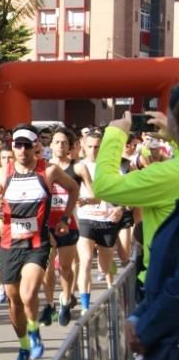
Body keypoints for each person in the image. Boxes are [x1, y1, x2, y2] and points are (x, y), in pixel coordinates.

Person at [91, 104, 179, 360]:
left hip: (164, 298)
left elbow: (106, 186)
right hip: (162, 293)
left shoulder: (170, 174)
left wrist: (114, 135)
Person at [0, 125, 79, 360]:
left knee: (27, 294)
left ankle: (34, 330)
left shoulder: (48, 171)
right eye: (18, 145)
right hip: (9, 244)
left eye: (27, 145)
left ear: (37, 146)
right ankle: (25, 344)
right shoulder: (3, 174)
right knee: (14, 301)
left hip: (38, 243)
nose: (22, 150)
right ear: (12, 147)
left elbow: (73, 188)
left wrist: (65, 218)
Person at [75, 131, 123, 311]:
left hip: (107, 219)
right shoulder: (78, 167)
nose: (93, 151)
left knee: (104, 266)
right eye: (90, 147)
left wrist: (120, 208)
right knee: (86, 260)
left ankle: (111, 290)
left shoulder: (112, 167)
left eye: (97, 147)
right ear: (83, 147)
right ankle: (85, 307)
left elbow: (124, 191)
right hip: (86, 219)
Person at [42, 127, 83, 327]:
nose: (60, 145)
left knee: (65, 268)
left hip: (68, 223)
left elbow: (89, 190)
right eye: (57, 142)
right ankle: (49, 304)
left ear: (70, 146)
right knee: (47, 268)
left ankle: (66, 299)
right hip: (47, 225)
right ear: (50, 145)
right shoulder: (44, 168)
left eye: (64, 142)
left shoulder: (76, 168)